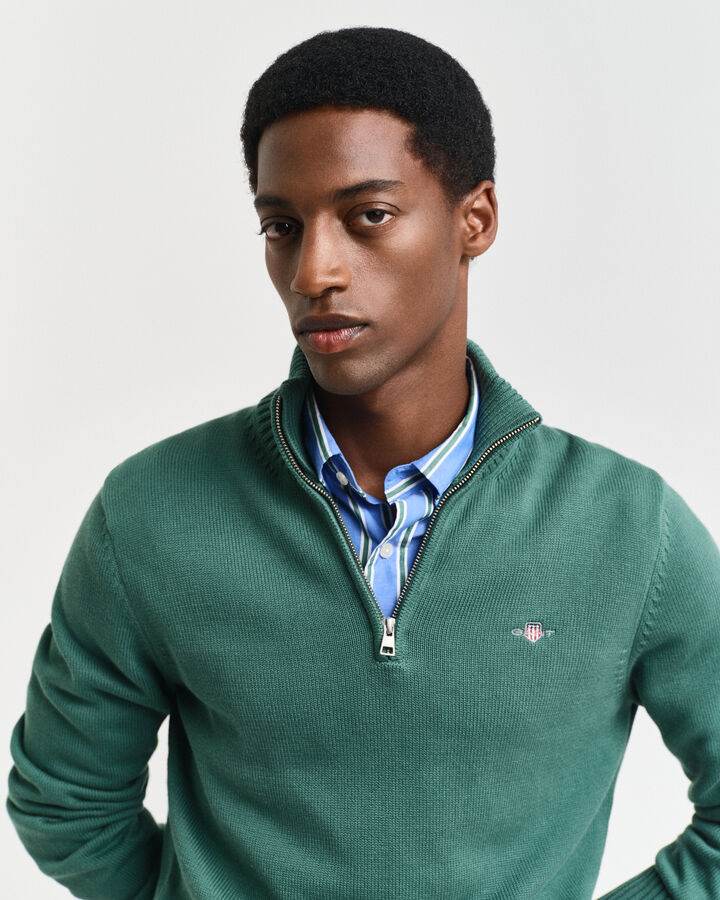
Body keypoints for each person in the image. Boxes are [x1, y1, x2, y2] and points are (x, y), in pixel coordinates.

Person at [6, 25, 720, 900]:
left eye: (367, 216)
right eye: (282, 225)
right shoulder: (153, 512)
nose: (314, 271)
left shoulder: (627, 528)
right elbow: (64, 803)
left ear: (475, 220)